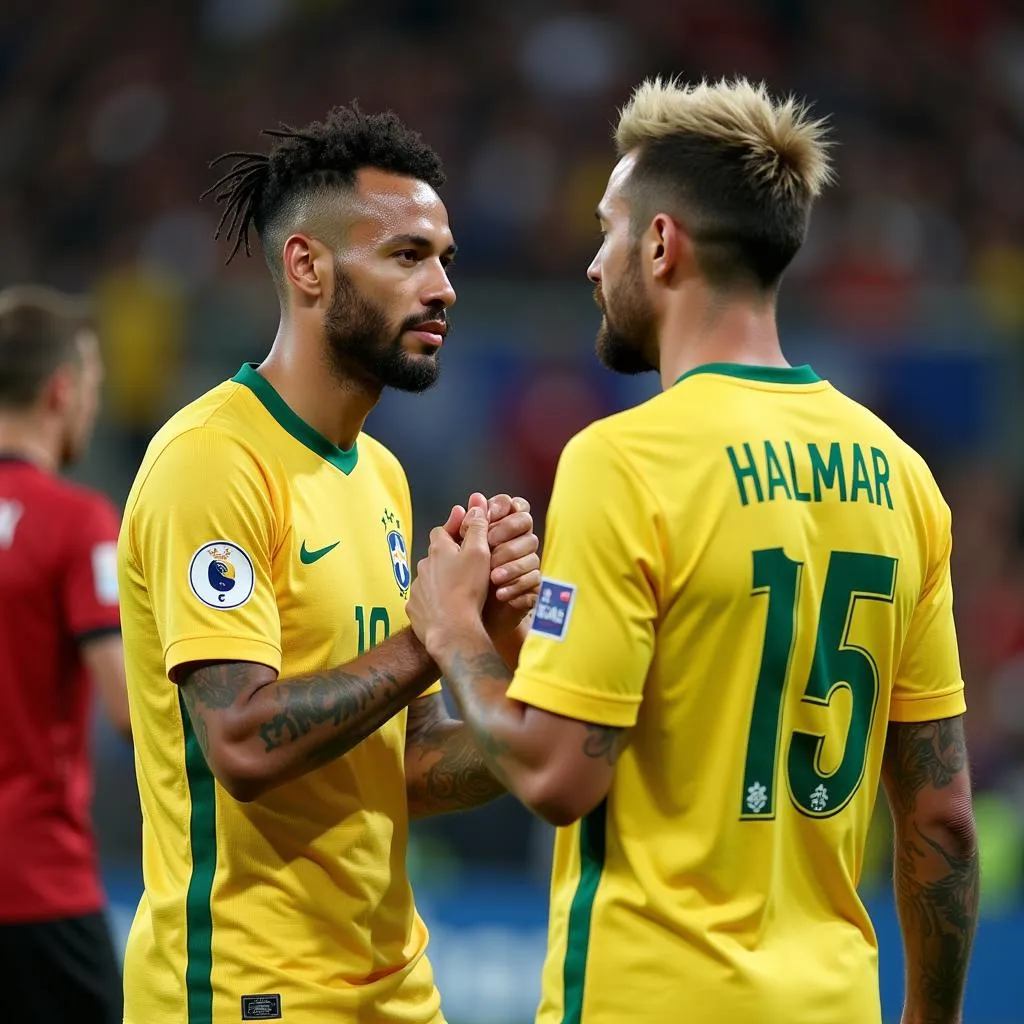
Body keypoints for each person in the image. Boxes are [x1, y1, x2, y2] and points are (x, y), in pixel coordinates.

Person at [406, 77, 979, 1024]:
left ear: (662, 244)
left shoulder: (625, 460)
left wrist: (454, 631)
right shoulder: (904, 476)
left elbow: (556, 774)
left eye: (608, 231)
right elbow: (942, 820)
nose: (594, 265)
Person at [117, 104, 540, 1024]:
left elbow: (410, 766)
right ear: (307, 266)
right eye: (406, 257)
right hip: (249, 993)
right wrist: (432, 639)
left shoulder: (380, 474)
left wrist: (513, 677)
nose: (443, 288)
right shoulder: (212, 461)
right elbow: (238, 740)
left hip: (397, 988)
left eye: (446, 260)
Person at [0, 284, 131, 1024]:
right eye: (93, 391)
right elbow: (126, 709)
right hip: (37, 885)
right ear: (61, 391)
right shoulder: (76, 523)